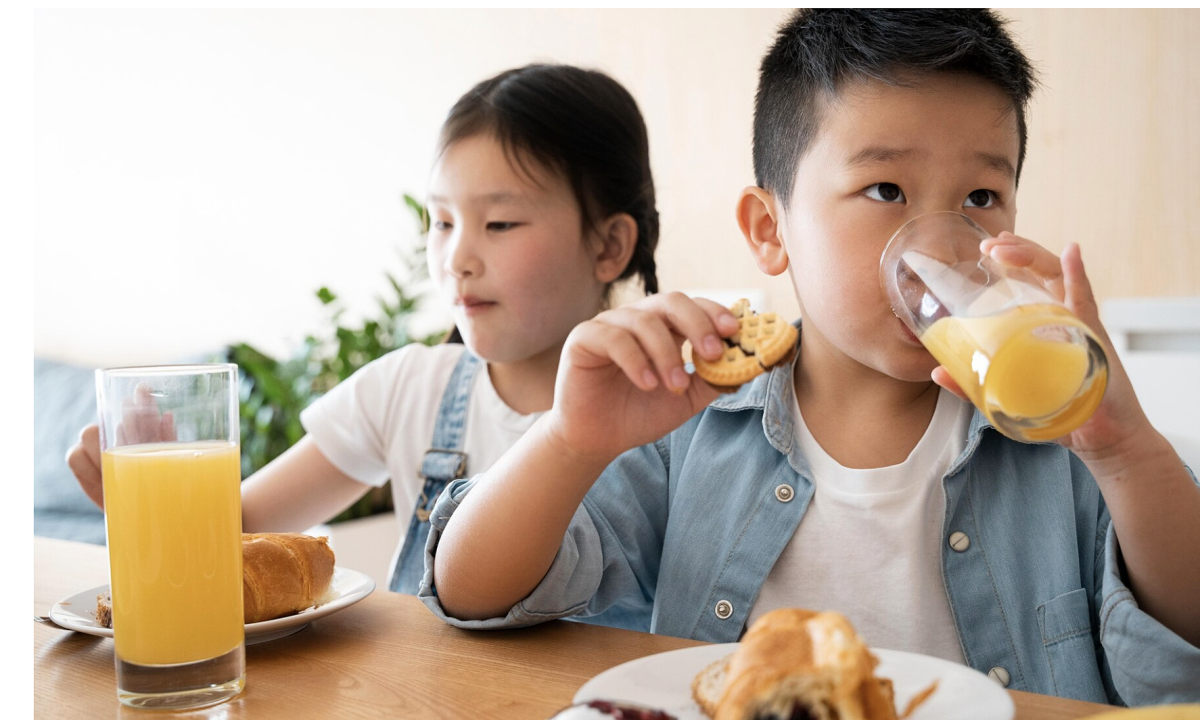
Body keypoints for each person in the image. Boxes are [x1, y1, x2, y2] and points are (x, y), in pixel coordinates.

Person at [422, 10, 1200, 707]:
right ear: (770, 230)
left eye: (980, 199)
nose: (940, 244)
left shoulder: (1057, 435)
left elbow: (1183, 648)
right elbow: (471, 592)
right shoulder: (689, 424)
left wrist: (1126, 453)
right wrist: (568, 442)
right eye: (886, 188)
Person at [65, 63, 662, 595]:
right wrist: (154, 496)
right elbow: (233, 530)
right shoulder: (409, 388)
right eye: (443, 221)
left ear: (609, 245)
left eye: (500, 223)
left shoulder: (665, 416)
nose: (457, 258)